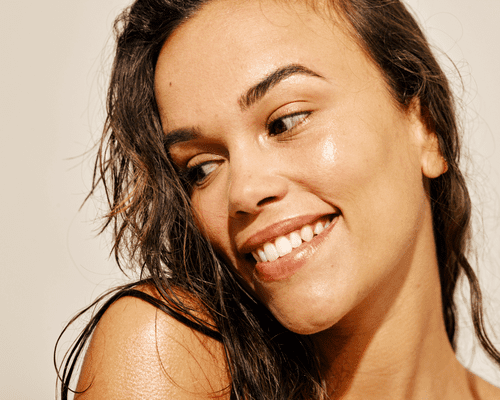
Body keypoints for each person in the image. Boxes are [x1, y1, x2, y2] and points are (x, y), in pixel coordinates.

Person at [55, 0, 500, 398]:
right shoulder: (166, 351)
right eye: (203, 168)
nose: (244, 192)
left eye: (286, 122)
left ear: (427, 130)